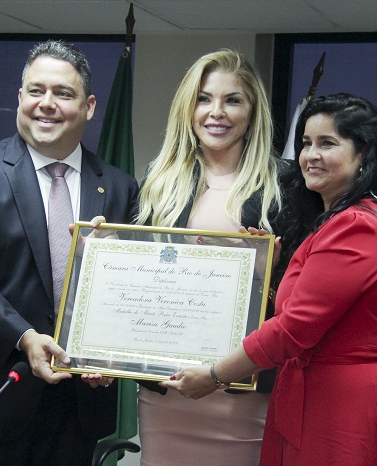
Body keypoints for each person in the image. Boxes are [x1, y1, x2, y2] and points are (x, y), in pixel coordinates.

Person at [162, 93, 377, 465]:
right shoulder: (335, 221)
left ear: (363, 153)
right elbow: (305, 311)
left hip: (342, 408)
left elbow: (294, 328)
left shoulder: (357, 225)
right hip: (315, 398)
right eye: (306, 143)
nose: (310, 155)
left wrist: (216, 375)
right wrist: (265, 270)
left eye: (327, 143)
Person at [0, 40, 139, 465]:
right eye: (36, 91)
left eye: (63, 93)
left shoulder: (118, 186)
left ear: (89, 107)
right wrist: (25, 337)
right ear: (20, 98)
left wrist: (108, 353)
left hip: (75, 411)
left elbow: (129, 294)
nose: (46, 103)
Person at [134, 49, 286, 466]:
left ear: (252, 113)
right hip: (167, 393)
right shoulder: (158, 182)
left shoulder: (284, 185)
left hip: (242, 392)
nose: (216, 112)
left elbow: (304, 300)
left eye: (232, 100)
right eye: (204, 99)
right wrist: (104, 245)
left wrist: (265, 274)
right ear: (189, 108)